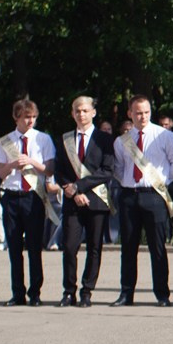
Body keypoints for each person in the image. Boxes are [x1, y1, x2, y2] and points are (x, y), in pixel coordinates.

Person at [111, 96, 173, 305]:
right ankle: (126, 293)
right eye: (138, 113)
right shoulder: (121, 141)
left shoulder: (164, 136)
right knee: (128, 247)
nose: (142, 117)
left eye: (146, 112)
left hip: (155, 195)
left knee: (157, 246)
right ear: (130, 114)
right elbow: (119, 168)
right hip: (130, 196)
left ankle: (162, 294)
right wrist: (127, 182)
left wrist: (162, 181)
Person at [52, 96, 113, 306]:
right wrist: (72, 190)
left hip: (96, 201)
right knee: (69, 247)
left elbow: (107, 170)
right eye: (77, 111)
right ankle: (69, 291)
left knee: (95, 247)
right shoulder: (65, 139)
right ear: (72, 113)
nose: (81, 114)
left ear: (93, 112)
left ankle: (87, 291)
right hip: (72, 200)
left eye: (85, 110)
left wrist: (81, 186)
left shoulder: (105, 139)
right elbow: (58, 170)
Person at [0, 98, 56, 306]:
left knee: (34, 247)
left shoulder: (43, 139)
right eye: (26, 117)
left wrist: (31, 162)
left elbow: (49, 170)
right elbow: (0, 173)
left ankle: (35, 292)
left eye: (33, 117)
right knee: (13, 247)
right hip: (12, 196)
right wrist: (12, 164)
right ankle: (17, 292)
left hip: (33, 196)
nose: (30, 121)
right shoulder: (6, 141)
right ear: (16, 118)